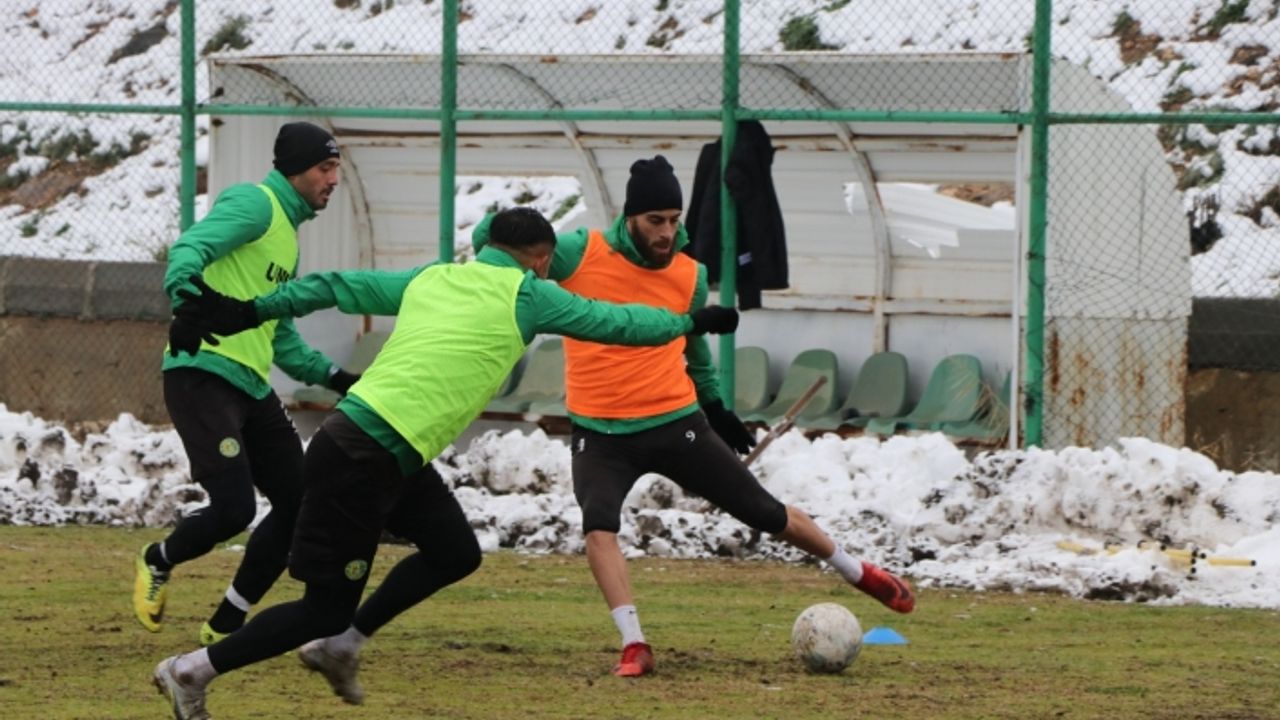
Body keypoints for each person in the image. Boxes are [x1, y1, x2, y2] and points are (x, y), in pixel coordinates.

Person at [151, 207, 740, 719]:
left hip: (387, 448)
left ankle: (344, 646)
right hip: (365, 451)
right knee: (321, 607)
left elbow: (334, 284)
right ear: (539, 262)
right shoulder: (528, 294)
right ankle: (191, 671)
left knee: (454, 551)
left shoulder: (436, 277)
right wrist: (688, 322)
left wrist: (251, 310)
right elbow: (617, 321)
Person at [472, 156, 916, 678]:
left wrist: (715, 405)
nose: (667, 232)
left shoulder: (689, 271)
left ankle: (858, 571)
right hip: (600, 429)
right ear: (630, 218)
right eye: (655, 220)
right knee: (598, 527)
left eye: (674, 219)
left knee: (765, 513)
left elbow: (692, 344)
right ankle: (634, 644)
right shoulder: (578, 252)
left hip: (673, 420)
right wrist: (498, 228)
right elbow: (496, 243)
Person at [135, 121, 362, 647]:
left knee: (300, 503)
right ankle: (157, 560)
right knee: (234, 509)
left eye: (337, 170)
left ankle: (227, 620)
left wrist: (335, 377)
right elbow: (190, 248)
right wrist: (186, 301)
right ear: (297, 170)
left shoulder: (288, 235)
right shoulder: (256, 204)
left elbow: (281, 336)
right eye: (325, 168)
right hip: (203, 372)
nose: (333, 180)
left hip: (253, 390)